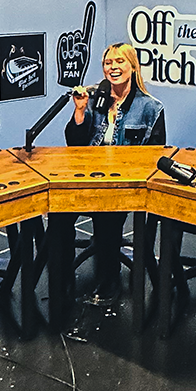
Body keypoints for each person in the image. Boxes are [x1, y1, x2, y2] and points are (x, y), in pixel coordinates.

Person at [65, 43, 167, 298]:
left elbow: (155, 154)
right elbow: (74, 144)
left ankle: (108, 280)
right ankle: (61, 276)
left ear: (133, 67)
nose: (113, 67)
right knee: (59, 214)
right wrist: (79, 111)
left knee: (108, 215)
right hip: (89, 178)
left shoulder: (151, 108)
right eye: (108, 63)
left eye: (120, 62)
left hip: (125, 184)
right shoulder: (94, 100)